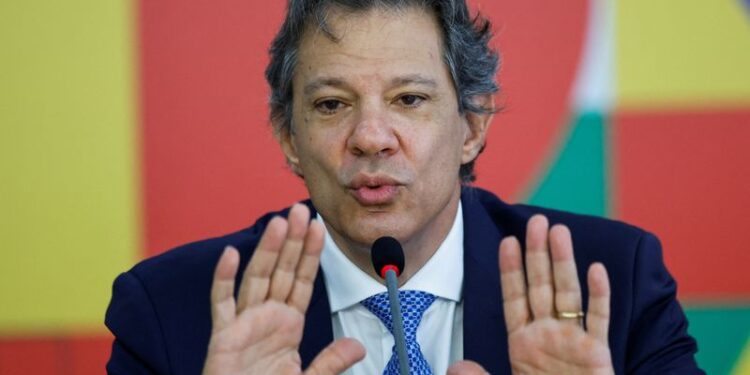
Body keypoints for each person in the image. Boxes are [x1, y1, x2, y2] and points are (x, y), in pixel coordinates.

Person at [105, 0, 703, 374]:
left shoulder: (613, 284)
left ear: (471, 126)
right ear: (289, 137)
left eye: (408, 99)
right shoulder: (171, 312)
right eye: (332, 104)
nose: (370, 137)